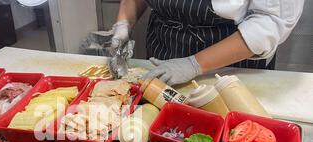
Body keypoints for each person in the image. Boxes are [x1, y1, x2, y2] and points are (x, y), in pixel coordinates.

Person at [111, 0, 304, 86]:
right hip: (163, 47)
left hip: (230, 64)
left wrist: (193, 64)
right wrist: (123, 24)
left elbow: (270, 22)